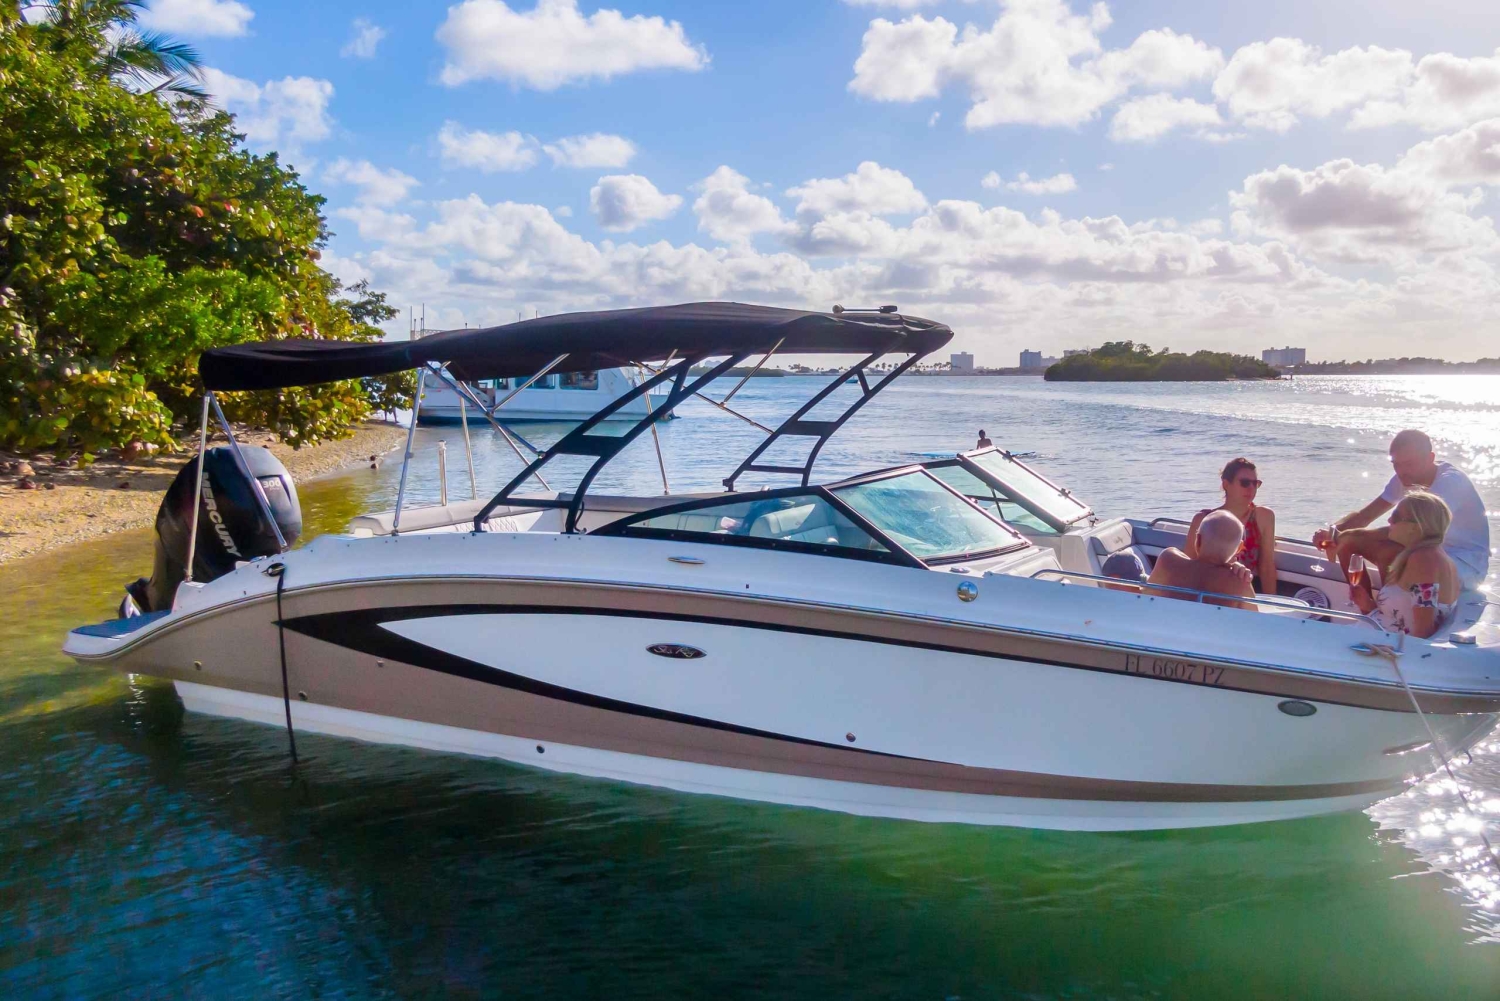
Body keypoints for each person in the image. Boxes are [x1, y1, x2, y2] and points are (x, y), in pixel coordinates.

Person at [1314, 429, 1489, 591]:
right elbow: (1365, 516)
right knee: (1348, 544)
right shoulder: (1406, 477)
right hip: (1430, 552)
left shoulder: (1450, 483)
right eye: (1396, 464)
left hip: (1466, 565)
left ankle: (1390, 609)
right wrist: (1333, 532)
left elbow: (1412, 531)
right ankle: (1366, 606)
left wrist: (1347, 535)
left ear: (1430, 458)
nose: (1401, 471)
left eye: (1409, 464)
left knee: (1388, 550)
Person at [1348, 491, 1460, 638]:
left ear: (1416, 526)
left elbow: (1423, 632)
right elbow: (1406, 619)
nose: (1389, 520)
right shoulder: (1436, 556)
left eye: (1395, 517)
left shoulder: (1424, 560)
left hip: (1378, 647)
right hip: (1375, 639)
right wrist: (1369, 606)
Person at [1185, 457, 1277, 594]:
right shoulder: (1203, 519)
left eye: (1255, 483)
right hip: (1205, 591)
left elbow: (1267, 566)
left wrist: (1271, 602)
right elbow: (1189, 565)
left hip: (1244, 591)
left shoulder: (1263, 516)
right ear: (1226, 484)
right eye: (1245, 483)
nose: (1251, 488)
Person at [1147, 510, 1258, 610]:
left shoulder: (1168, 560)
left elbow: (1146, 597)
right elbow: (1255, 620)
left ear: (1198, 539)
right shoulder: (1240, 581)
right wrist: (1237, 573)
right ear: (1239, 548)